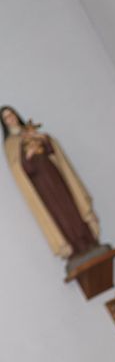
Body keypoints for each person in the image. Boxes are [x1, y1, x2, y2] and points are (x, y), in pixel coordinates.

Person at [1, 105, 99, 259]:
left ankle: (90, 240)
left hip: (54, 174)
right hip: (41, 184)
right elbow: (19, 170)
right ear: (4, 123)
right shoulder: (10, 144)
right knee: (59, 214)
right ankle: (76, 247)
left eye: (12, 114)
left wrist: (43, 140)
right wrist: (28, 155)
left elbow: (52, 150)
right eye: (6, 118)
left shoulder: (30, 130)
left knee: (71, 205)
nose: (11, 119)